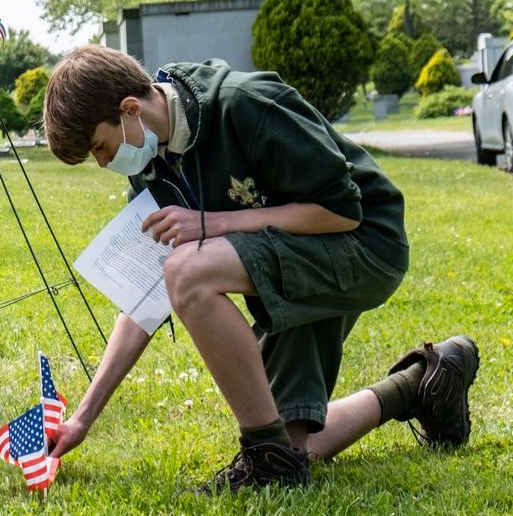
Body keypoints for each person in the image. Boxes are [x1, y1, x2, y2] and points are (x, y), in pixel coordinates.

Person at [41, 45, 479, 493]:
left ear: (130, 109)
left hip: (365, 245)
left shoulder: (246, 103)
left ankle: (265, 462)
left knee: (188, 270)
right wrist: (82, 418)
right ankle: (424, 382)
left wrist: (213, 223)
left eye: (100, 147)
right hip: (290, 265)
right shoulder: (150, 164)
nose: (104, 162)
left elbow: (343, 211)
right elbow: (143, 302)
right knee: (294, 446)